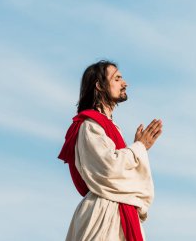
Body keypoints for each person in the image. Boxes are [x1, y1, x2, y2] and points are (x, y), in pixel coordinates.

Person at [58, 60, 162, 241]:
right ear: (99, 85)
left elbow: (118, 171)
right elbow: (108, 167)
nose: (125, 83)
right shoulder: (90, 126)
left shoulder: (109, 128)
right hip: (103, 216)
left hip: (119, 212)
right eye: (117, 78)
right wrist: (139, 148)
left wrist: (138, 149)